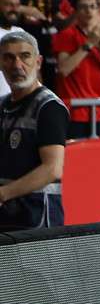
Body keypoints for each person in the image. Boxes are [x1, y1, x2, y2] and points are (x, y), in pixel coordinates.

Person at [0, 29, 68, 230]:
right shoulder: (3, 105)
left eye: (25, 56)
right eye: (9, 58)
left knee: (37, 263)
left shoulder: (49, 107)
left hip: (37, 215)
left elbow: (52, 169)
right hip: (7, 214)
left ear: (38, 62)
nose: (17, 65)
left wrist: (4, 193)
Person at [53, 0, 100, 138]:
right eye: (83, 7)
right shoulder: (67, 34)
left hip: (99, 110)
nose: (89, 11)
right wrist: (89, 44)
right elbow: (63, 69)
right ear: (76, 11)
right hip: (74, 110)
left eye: (92, 6)